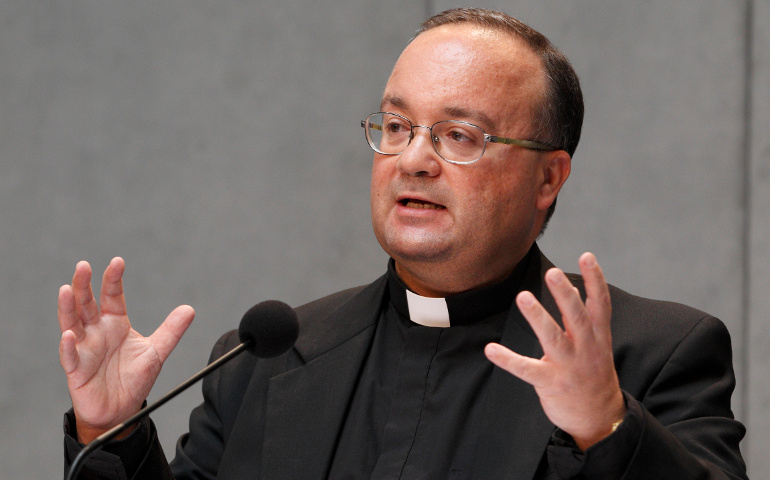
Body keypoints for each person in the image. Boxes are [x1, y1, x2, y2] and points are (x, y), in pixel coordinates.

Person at [59, 7, 748, 480]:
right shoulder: (268, 360)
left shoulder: (652, 355)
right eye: (396, 126)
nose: (413, 160)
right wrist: (112, 433)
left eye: (459, 136)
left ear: (548, 176)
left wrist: (607, 430)